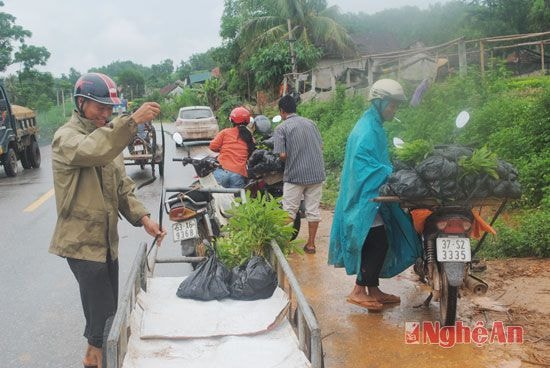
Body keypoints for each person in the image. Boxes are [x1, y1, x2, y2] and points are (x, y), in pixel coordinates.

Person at [49, 72, 167, 368]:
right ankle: (95, 360)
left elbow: (122, 188)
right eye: (99, 107)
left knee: (109, 315)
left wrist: (144, 218)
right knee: (101, 326)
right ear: (80, 103)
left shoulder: (109, 141)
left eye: (109, 108)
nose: (105, 113)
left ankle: (102, 358)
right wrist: (131, 121)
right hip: (81, 245)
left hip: (105, 244)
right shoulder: (67, 138)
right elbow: (94, 149)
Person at [328, 79, 421, 311]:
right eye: (391, 105)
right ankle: (359, 290)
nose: (394, 109)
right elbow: (364, 165)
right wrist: (390, 172)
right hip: (363, 196)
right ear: (379, 103)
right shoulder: (367, 130)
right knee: (376, 240)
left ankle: (373, 289)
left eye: (395, 106)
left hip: (369, 194)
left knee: (377, 238)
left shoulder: (373, 125)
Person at [272, 94, 326, 254]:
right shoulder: (311, 123)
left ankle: (280, 242)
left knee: (289, 211)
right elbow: (320, 146)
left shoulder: (281, 128)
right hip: (317, 173)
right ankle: (311, 244)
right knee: (313, 210)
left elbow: (281, 155)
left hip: (295, 175)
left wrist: (291, 155)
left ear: (282, 111)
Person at [209, 106, 255, 188]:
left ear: (231, 120)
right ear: (247, 121)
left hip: (222, 171)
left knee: (217, 198)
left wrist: (221, 149)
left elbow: (212, 146)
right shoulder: (250, 137)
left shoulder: (225, 132)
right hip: (238, 174)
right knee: (236, 200)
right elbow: (251, 152)